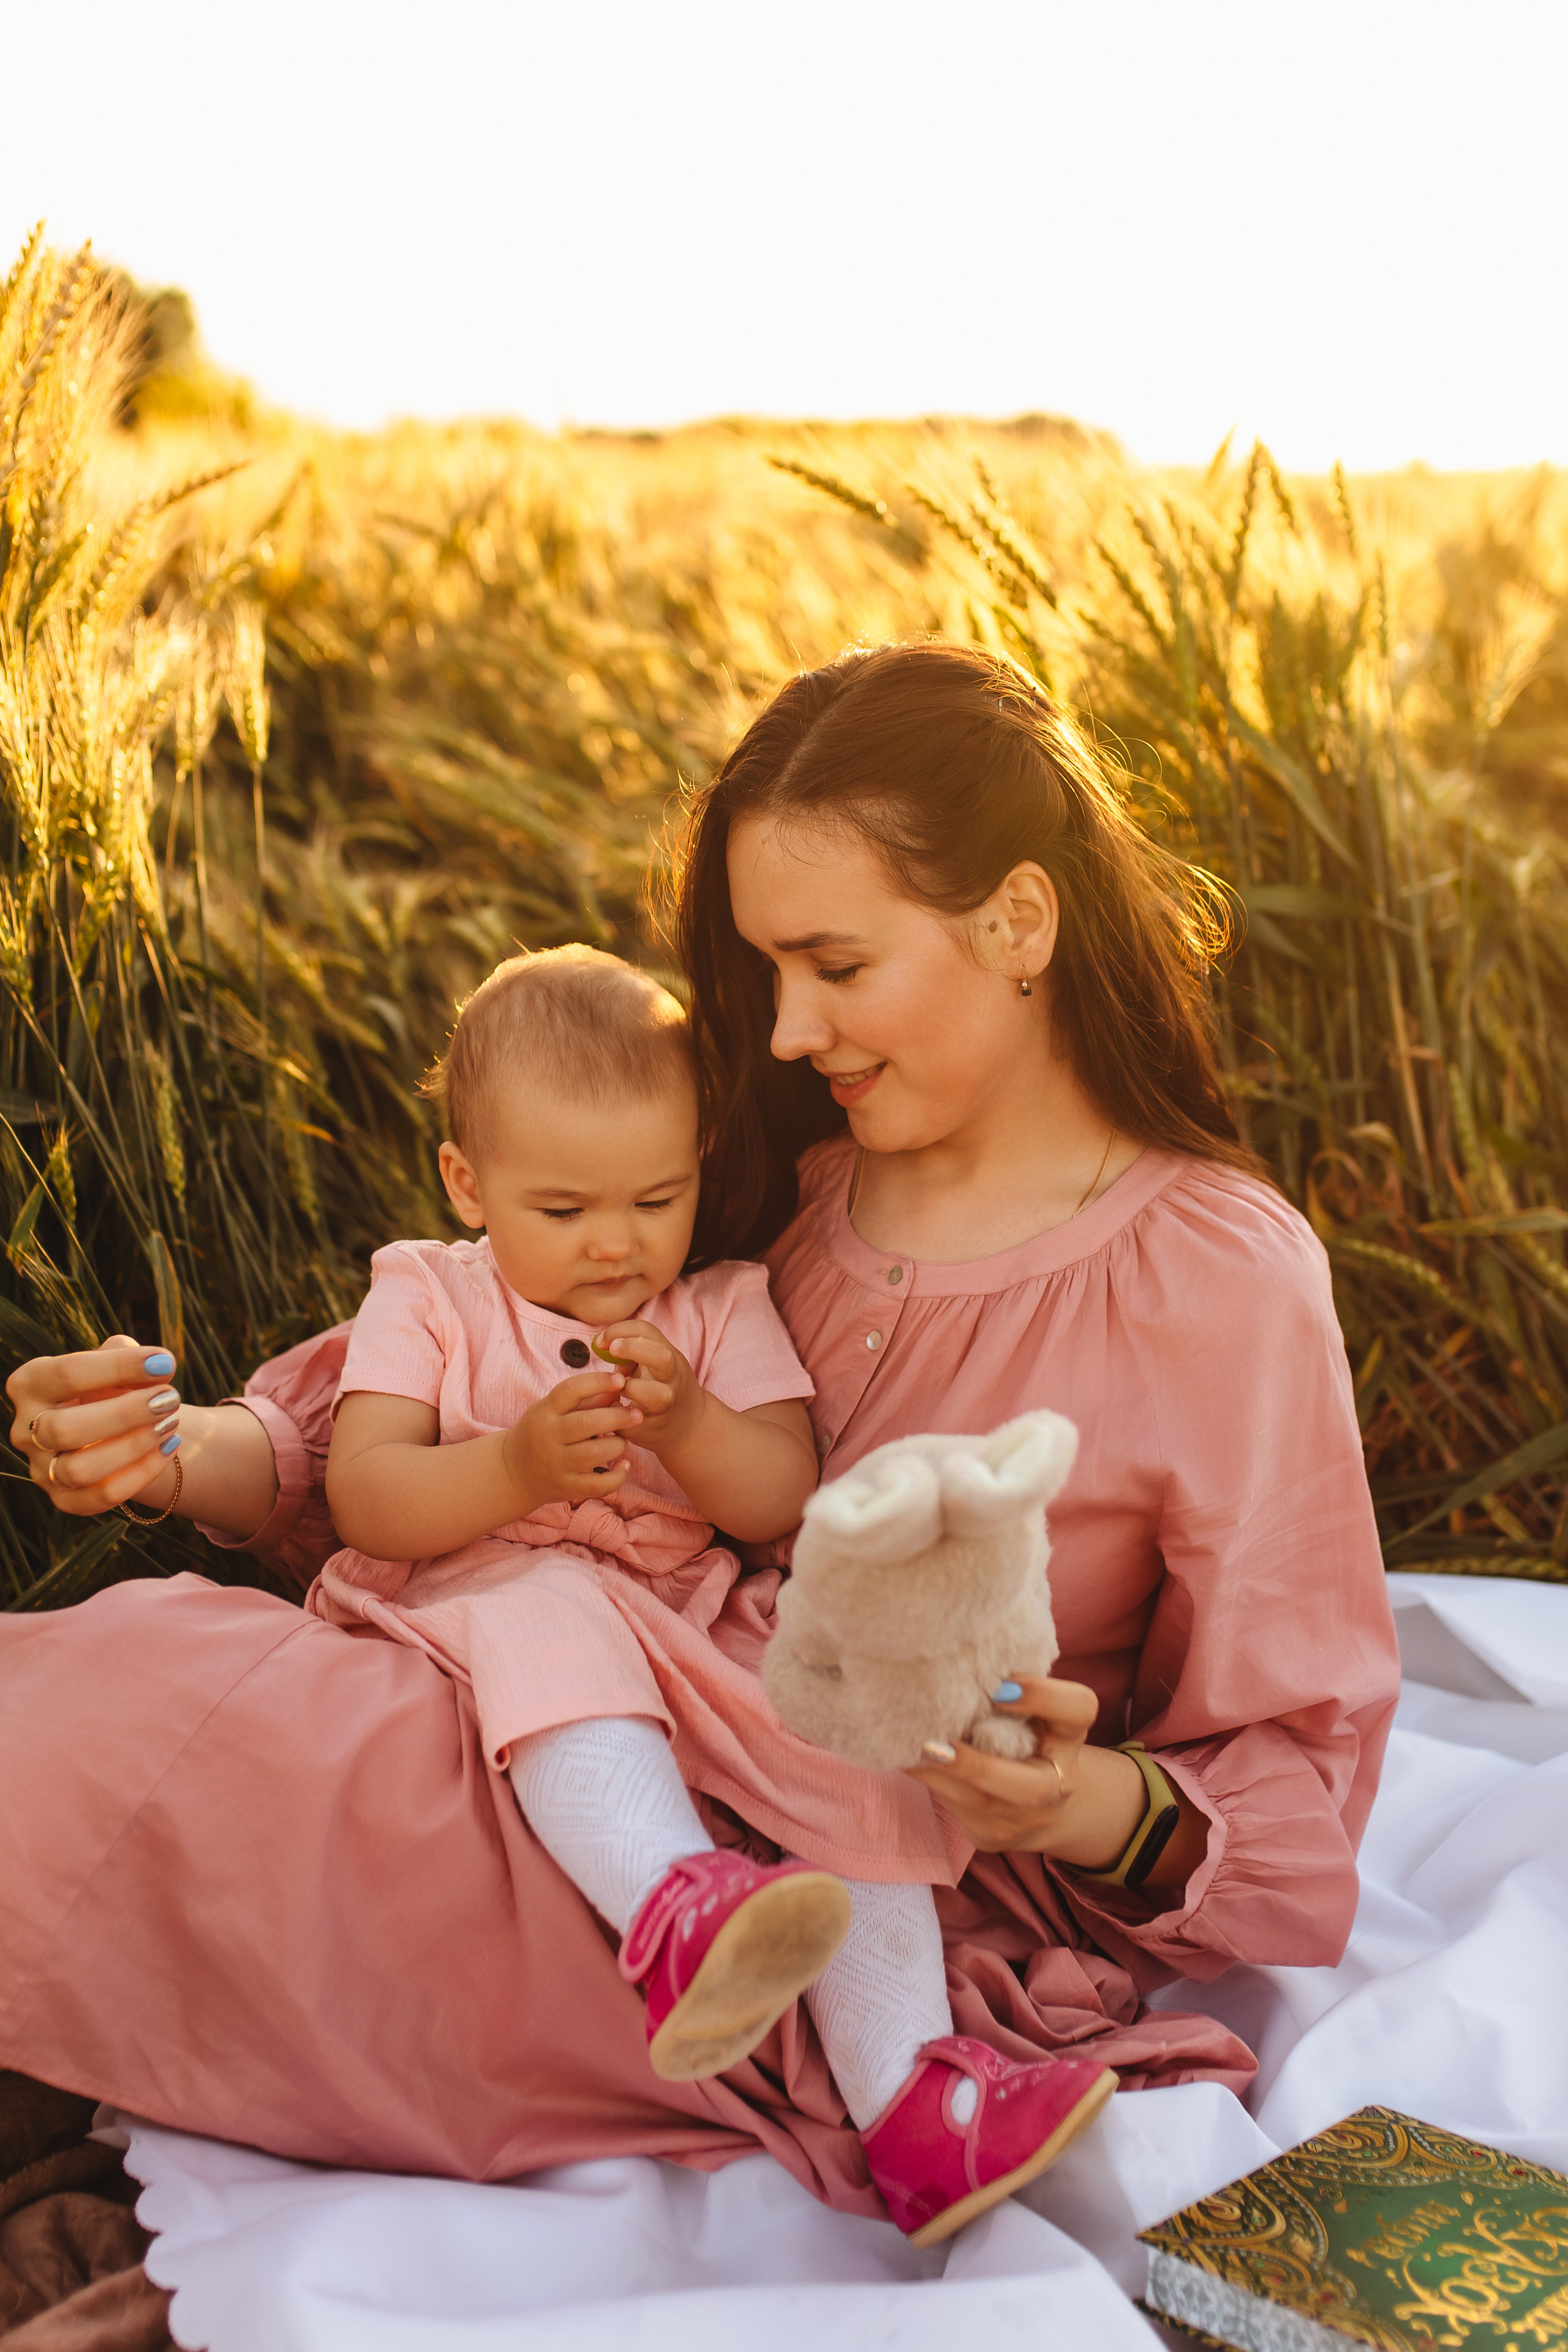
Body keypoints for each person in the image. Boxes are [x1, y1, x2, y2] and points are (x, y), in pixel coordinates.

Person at [1, 640, 1400, 2227]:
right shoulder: (779, 1171)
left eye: (836, 966)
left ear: (1019, 920)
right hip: (553, 1713)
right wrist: (170, 1447)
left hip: (847, 1854)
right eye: (766, 970)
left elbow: (1295, 1757)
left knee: (213, 1779)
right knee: (112, 1690)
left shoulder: (1215, 1277)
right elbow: (423, 1401)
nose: (787, 1029)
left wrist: (1083, 1801)